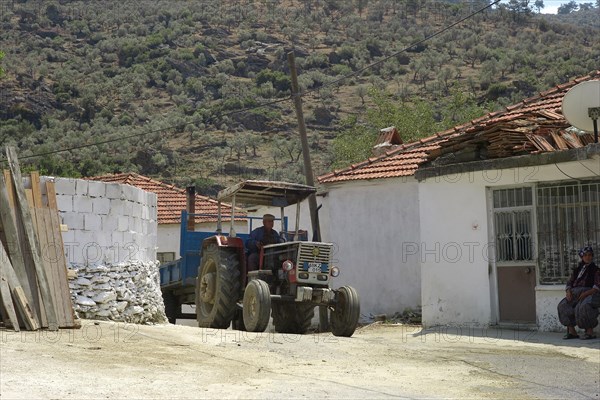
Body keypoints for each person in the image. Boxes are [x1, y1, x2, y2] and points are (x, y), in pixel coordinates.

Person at [557, 246, 600, 340]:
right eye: (585, 255)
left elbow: (597, 286)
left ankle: (589, 332)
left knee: (583, 307)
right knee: (563, 305)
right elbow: (570, 282)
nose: (587, 257)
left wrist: (585, 294)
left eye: (589, 255)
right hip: (575, 293)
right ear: (581, 257)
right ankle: (572, 332)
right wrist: (568, 291)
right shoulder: (577, 269)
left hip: (591, 293)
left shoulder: (596, 270)